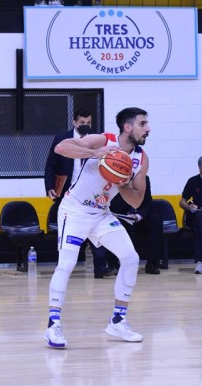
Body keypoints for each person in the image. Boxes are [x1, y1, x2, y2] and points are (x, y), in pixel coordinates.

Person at [44, 107, 150, 349]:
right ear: (127, 127)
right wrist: (94, 153)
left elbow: (136, 201)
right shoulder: (104, 140)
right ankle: (53, 325)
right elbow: (61, 147)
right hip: (75, 210)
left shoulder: (141, 159)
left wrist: (122, 184)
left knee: (130, 258)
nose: (148, 129)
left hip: (101, 214)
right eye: (143, 124)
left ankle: (118, 321)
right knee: (67, 264)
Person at [44, 108, 114, 279]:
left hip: (91, 192)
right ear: (74, 122)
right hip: (67, 191)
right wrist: (49, 187)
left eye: (88, 123)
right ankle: (65, 267)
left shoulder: (97, 140)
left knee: (96, 228)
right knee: (70, 231)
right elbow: (51, 165)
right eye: (82, 123)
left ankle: (100, 268)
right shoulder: (63, 139)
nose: (85, 125)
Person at [106, 175, 164, 275]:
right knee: (111, 224)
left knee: (155, 221)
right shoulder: (113, 177)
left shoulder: (144, 178)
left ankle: (152, 263)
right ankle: (113, 265)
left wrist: (138, 216)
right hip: (120, 216)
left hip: (137, 217)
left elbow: (147, 203)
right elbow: (112, 205)